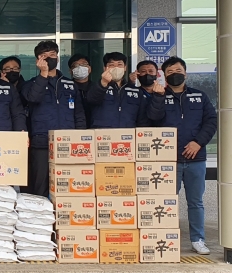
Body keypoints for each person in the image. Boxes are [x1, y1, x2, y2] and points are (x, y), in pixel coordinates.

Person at [147, 56, 217, 255]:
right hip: (169, 160)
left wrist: (198, 142)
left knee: (196, 202)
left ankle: (198, 239)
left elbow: (211, 121)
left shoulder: (199, 96)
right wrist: (158, 98)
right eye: (170, 72)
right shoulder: (158, 95)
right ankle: (167, 239)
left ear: (185, 73)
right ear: (164, 75)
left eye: (178, 70)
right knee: (167, 202)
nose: (175, 74)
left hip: (196, 158)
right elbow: (153, 120)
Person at [21, 41, 86, 197]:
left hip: (68, 141)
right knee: (41, 185)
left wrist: (81, 138)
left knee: (68, 184)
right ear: (38, 60)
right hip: (41, 142)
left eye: (52, 55)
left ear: (57, 57)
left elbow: (78, 114)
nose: (49, 58)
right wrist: (43, 75)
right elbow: (33, 98)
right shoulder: (30, 84)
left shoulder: (70, 84)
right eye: (44, 56)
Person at [85, 52, 149, 128]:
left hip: (128, 133)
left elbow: (142, 119)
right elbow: (91, 100)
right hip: (102, 133)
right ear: (105, 68)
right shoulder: (96, 86)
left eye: (119, 65)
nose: (116, 68)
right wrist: (103, 83)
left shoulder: (135, 91)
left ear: (125, 68)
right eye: (112, 65)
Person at [67, 53, 92, 128]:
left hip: (94, 127)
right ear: (70, 71)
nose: (80, 67)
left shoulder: (97, 88)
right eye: (76, 65)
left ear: (90, 69)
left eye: (84, 64)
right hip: (73, 127)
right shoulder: (66, 89)